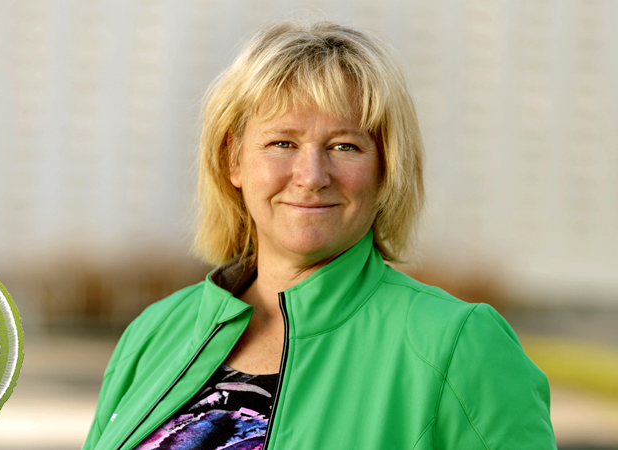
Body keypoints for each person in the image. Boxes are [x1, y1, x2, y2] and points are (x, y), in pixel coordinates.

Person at [82, 21, 556, 450]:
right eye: (282, 142)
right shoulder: (154, 332)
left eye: (345, 146)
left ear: (386, 169)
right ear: (233, 160)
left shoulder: (457, 344)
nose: (311, 176)